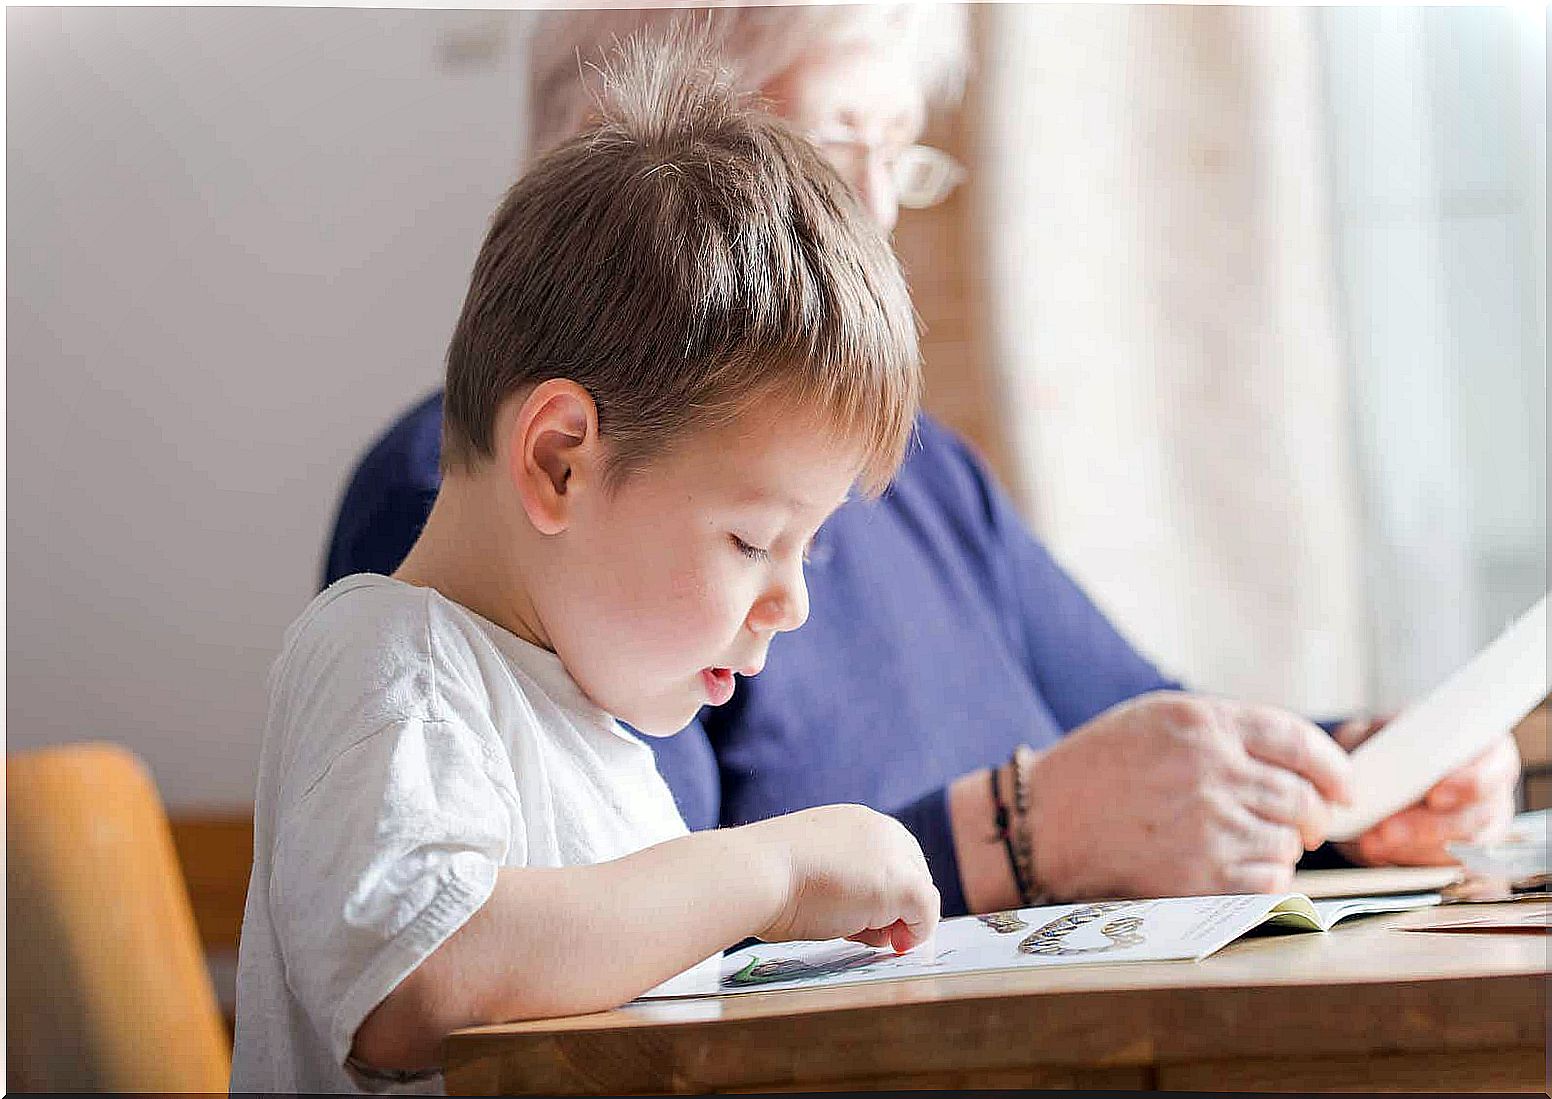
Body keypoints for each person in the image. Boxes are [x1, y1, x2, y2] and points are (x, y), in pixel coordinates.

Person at [324, 4, 1519, 920]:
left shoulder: (927, 478)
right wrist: (1013, 830)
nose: (877, 220)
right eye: (835, 146)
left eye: (905, 158)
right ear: (623, 162)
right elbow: (618, 947)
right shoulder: (467, 516)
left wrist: (1355, 788)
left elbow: (1149, 734)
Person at [234, 33, 941, 1093]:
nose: (790, 602)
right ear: (561, 461)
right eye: (753, 540)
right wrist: (771, 872)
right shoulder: (392, 662)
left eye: (808, 544)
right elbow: (414, 978)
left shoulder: (598, 743)